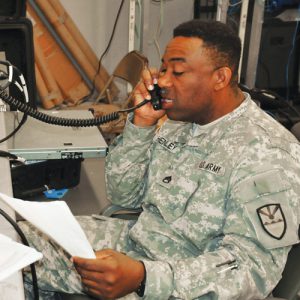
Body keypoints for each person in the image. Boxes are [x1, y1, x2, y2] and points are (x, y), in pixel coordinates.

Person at [20, 19, 300, 300]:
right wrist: (140, 127)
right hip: (138, 242)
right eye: (163, 68)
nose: (163, 81)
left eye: (177, 72)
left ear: (220, 78)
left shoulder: (267, 152)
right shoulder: (180, 120)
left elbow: (252, 271)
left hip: (182, 284)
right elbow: (124, 196)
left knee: (25, 269)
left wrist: (144, 277)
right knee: (17, 240)